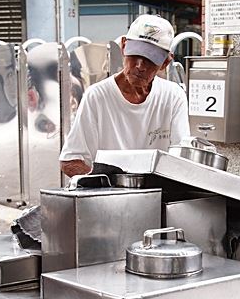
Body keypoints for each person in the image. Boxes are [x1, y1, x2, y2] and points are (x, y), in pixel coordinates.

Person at [59, 14, 190, 177]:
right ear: (123, 46)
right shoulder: (97, 96)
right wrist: (108, 187)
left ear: (165, 63)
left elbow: (182, 159)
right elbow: (70, 161)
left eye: (150, 59)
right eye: (135, 55)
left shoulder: (173, 96)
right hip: (109, 196)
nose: (140, 66)